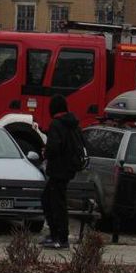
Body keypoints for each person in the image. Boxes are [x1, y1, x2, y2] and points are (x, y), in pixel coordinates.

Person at [41, 93, 83, 249]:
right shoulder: (73, 124)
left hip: (58, 170)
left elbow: (54, 147)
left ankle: (60, 237)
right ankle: (56, 235)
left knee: (54, 203)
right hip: (68, 169)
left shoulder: (56, 125)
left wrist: (45, 152)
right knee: (51, 200)